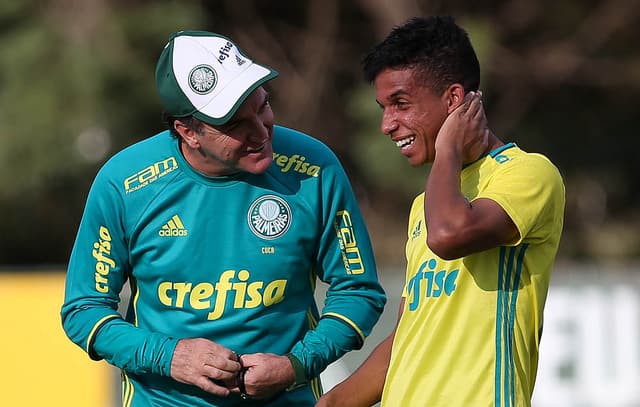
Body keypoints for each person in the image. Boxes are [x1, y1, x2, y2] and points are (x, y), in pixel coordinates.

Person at [60, 30, 386, 407]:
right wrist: (169, 357)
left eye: (263, 106)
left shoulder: (314, 168)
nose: (261, 131)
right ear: (188, 131)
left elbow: (358, 290)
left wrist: (296, 364)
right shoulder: (124, 184)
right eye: (235, 125)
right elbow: (84, 310)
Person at [317, 16, 565, 407]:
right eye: (383, 107)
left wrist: (448, 145)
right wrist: (331, 403)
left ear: (454, 100)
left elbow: (448, 236)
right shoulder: (427, 205)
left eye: (400, 103)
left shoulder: (528, 173)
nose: (387, 124)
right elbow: (410, 333)